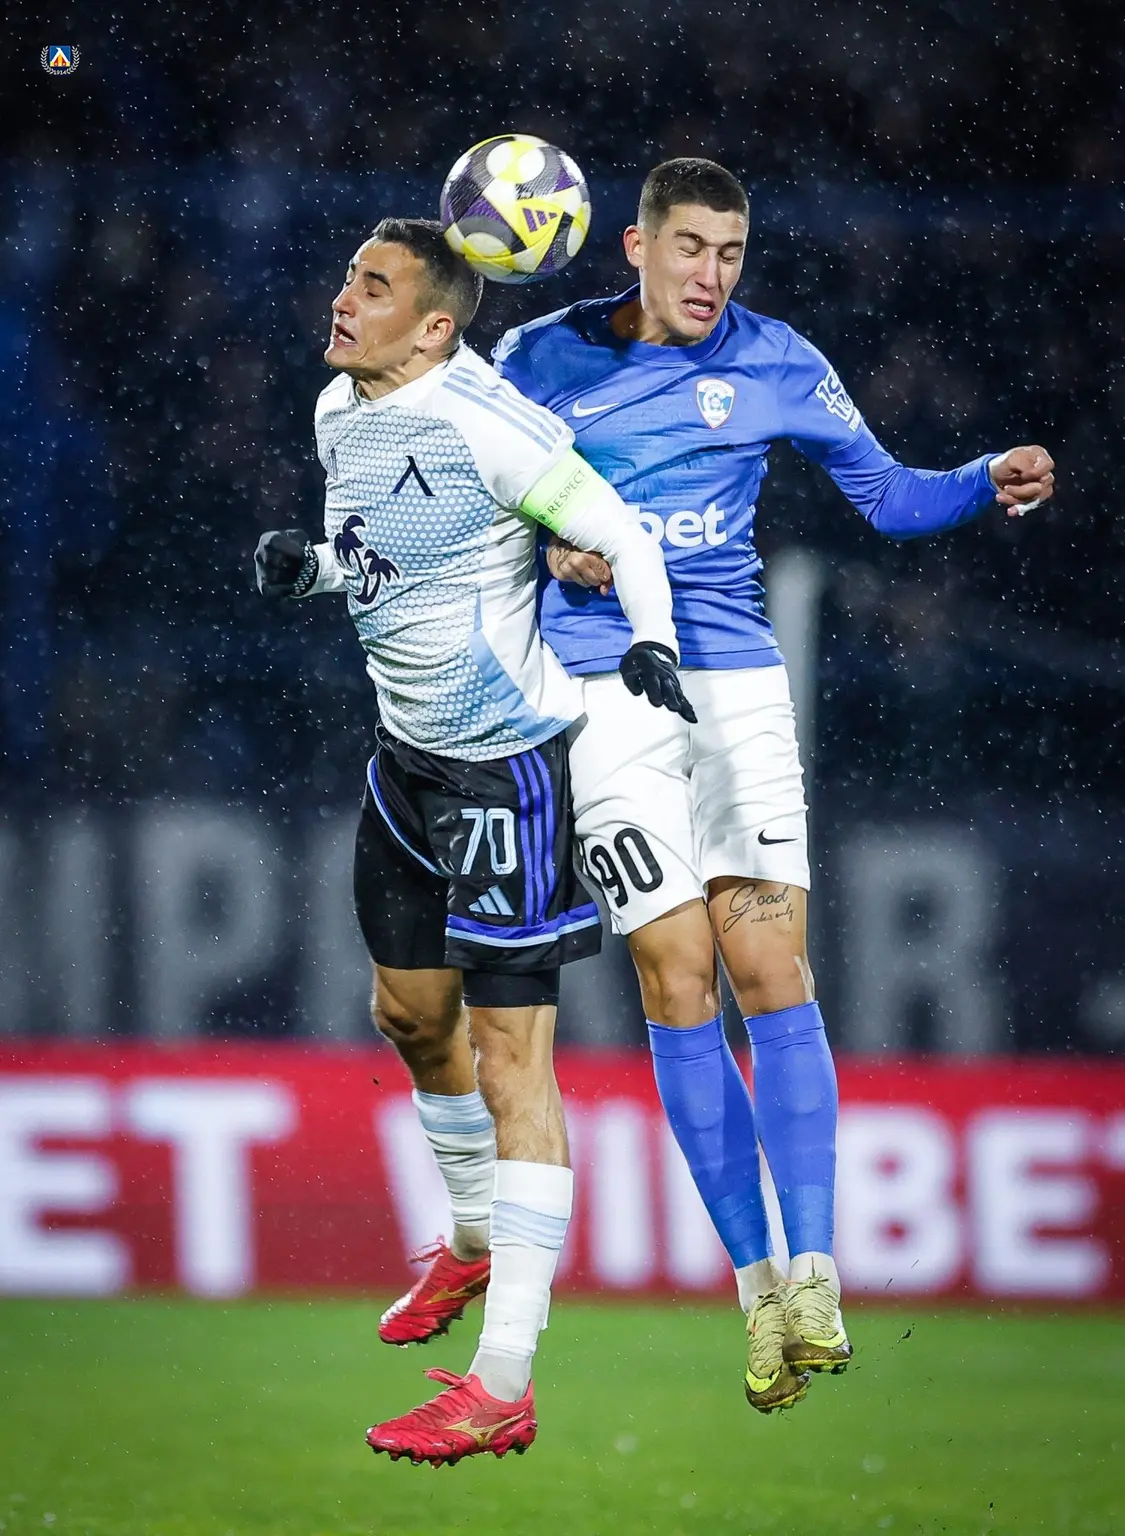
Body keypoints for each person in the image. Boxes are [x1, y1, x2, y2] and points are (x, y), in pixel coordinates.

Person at [490, 158, 1054, 1413]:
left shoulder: (779, 360)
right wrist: (550, 546)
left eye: (731, 253)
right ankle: (755, 1290)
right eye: (690, 247)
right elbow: (478, 506)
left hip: (736, 684)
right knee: (675, 973)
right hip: (602, 693)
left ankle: (814, 1272)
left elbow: (889, 497)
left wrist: (982, 476)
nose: (711, 275)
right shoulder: (538, 359)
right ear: (635, 246)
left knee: (771, 969)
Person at [254, 216, 691, 1466]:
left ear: (435, 326)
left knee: (513, 1068)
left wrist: (651, 640)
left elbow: (623, 532)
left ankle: (502, 1381)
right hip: (405, 763)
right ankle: (473, 1237)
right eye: (348, 277)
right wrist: (313, 569)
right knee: (407, 1017)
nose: (344, 300)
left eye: (374, 287)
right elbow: (393, 558)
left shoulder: (495, 427)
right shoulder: (340, 411)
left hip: (506, 774)